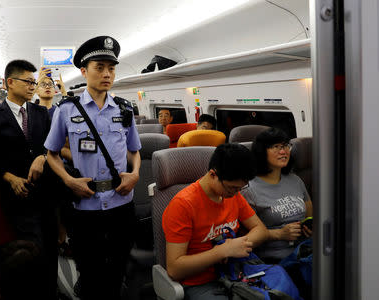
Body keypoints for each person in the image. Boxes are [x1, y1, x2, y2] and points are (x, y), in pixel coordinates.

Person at [44, 36, 142, 300]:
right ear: (84, 71)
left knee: (118, 267)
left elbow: (135, 150)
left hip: (122, 203)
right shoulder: (65, 110)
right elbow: (51, 154)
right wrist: (67, 180)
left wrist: (135, 174)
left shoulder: (124, 109)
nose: (107, 73)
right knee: (90, 270)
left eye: (111, 68)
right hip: (84, 206)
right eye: (100, 67)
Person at [0, 59, 57, 299]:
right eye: (28, 81)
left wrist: (43, 157)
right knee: (32, 250)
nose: (32, 86)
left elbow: (53, 147)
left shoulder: (41, 113)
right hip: (18, 198)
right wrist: (10, 178)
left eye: (33, 82)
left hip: (46, 196)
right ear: (10, 82)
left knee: (51, 249)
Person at [162, 143, 268, 300]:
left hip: (236, 271)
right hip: (201, 283)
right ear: (213, 174)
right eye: (232, 188)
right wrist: (222, 252)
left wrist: (236, 246)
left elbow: (261, 231)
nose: (236, 193)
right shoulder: (183, 205)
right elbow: (174, 268)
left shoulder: (232, 194)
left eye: (240, 189)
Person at [241, 127, 313, 264]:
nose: (283, 151)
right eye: (276, 147)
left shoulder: (295, 180)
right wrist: (280, 234)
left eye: (286, 146)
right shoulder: (249, 189)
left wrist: (309, 227)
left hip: (305, 250)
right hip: (274, 258)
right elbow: (245, 237)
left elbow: (309, 214)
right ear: (262, 152)